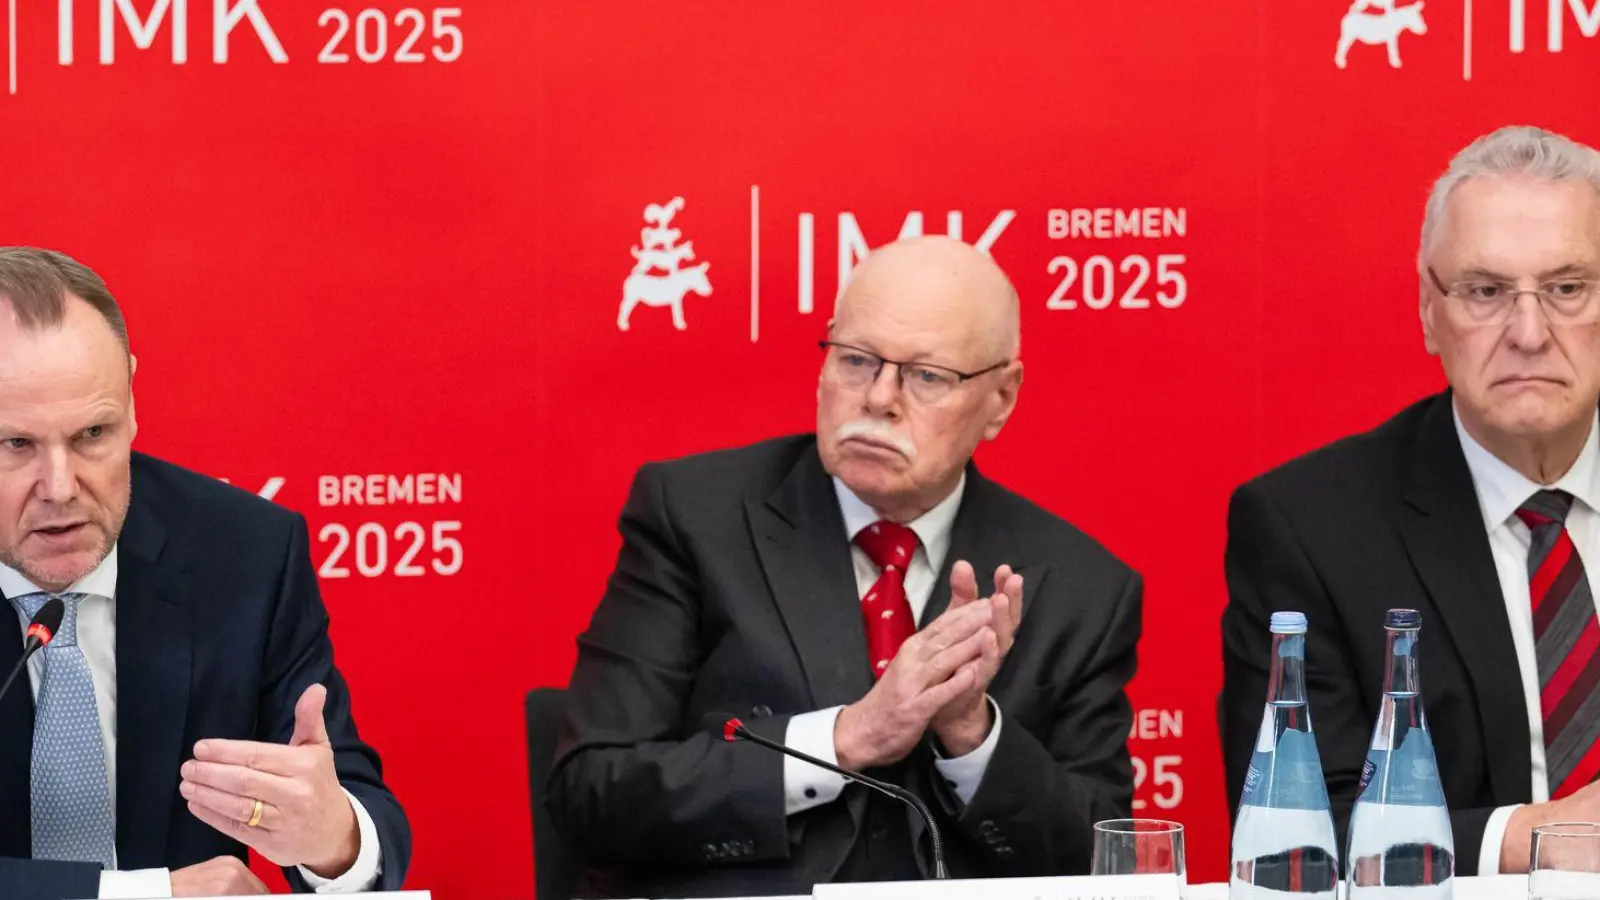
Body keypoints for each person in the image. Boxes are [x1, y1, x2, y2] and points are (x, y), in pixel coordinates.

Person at [549, 235, 1141, 897]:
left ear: (1001, 398)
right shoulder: (694, 518)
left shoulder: (1081, 587)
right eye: (857, 360)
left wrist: (973, 735)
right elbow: (592, 792)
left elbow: (1103, 863)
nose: (880, 398)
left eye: (927, 376)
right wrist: (846, 737)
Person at [1222, 125, 1600, 876]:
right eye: (1486, 292)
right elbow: (1297, 834)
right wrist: (1534, 838)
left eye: (1567, 288)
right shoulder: (1308, 528)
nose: (1529, 332)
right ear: (1431, 312)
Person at [0, 248, 411, 899]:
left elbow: (351, 808)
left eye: (93, 434)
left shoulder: (245, 554)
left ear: (133, 401)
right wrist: (145, 897)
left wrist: (333, 840)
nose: (60, 487)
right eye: (15, 444)